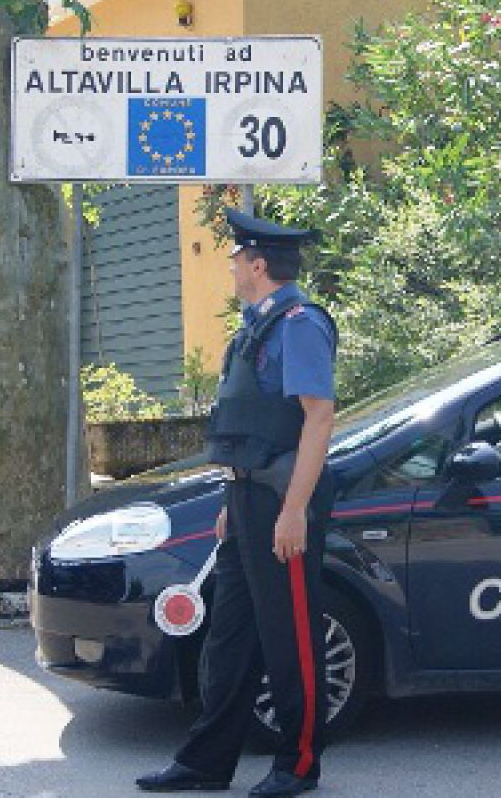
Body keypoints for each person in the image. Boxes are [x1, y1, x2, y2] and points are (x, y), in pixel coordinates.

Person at [138, 209, 337, 797]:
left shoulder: (299, 325)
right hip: (250, 498)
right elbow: (254, 424)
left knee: (290, 638)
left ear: (258, 266)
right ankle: (206, 760)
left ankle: (298, 765)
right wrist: (238, 494)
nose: (227, 266)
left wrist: (293, 509)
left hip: (283, 501)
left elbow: (317, 417)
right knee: (230, 639)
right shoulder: (257, 327)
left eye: (235, 259)